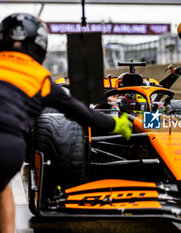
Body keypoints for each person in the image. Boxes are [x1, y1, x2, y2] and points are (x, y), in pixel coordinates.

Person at [0, 13, 132, 233]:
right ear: (40, 46)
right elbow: (84, 115)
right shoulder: (41, 79)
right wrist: (115, 125)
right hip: (8, 151)